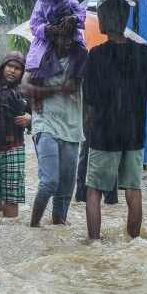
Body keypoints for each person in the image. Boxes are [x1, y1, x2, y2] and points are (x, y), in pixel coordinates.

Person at [83, 0, 147, 240]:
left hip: (104, 132)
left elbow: (90, 97)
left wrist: (87, 126)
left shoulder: (96, 55)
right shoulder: (143, 53)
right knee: (133, 189)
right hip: (134, 132)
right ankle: (134, 241)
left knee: (94, 190)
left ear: (105, 22)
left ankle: (94, 242)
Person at [21, 29, 86, 228]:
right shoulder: (40, 57)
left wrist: (87, 122)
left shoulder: (80, 59)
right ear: (53, 36)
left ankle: (57, 232)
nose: (68, 41)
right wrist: (59, 88)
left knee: (65, 191)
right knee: (49, 181)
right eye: (63, 36)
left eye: (71, 36)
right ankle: (33, 228)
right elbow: (24, 88)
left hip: (72, 128)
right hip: (45, 124)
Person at [0, 52, 32, 218]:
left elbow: (39, 115)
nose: (12, 71)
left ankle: (10, 226)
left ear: (22, 72)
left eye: (17, 68)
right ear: (3, 67)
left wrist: (29, 118)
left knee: (12, 198)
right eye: (10, 66)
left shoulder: (25, 90)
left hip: (14, 147)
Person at [26, 0, 86, 81]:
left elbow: (81, 12)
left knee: (82, 52)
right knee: (39, 58)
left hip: (71, 34)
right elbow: (34, 25)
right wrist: (47, 29)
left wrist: (74, 18)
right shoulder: (40, 4)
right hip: (49, 38)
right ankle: (42, 80)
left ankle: (76, 78)